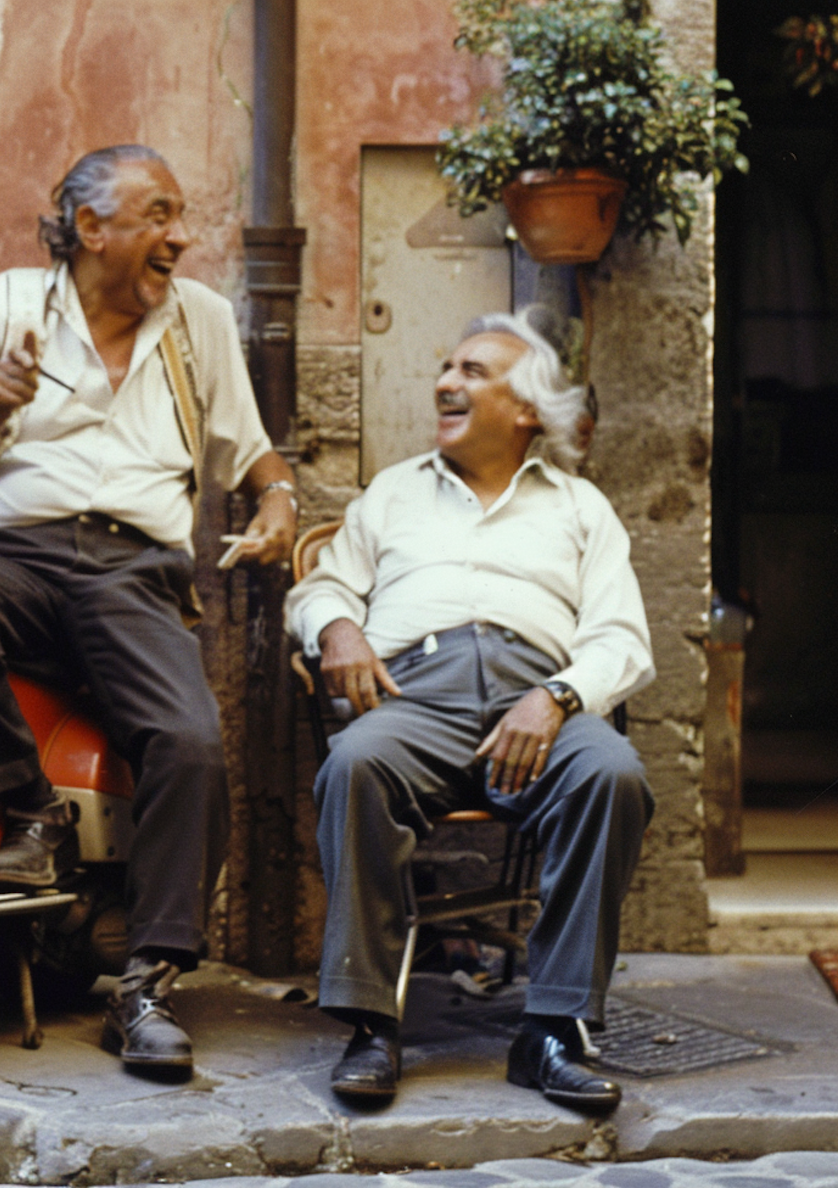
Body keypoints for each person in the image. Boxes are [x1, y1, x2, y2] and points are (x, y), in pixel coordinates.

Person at [0, 145, 297, 1076]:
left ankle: (150, 981)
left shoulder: (197, 321)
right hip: (9, 555)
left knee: (191, 741)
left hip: (133, 571)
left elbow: (255, 455)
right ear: (92, 229)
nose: (180, 236)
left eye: (179, 216)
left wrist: (280, 506)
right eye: (158, 215)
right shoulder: (7, 306)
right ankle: (30, 809)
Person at [283, 312, 655, 1112]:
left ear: (528, 411)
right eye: (446, 367)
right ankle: (371, 1024)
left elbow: (621, 638)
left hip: (538, 699)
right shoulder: (394, 491)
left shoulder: (580, 506)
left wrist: (556, 697)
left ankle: (552, 1031)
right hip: (415, 693)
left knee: (614, 772)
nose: (446, 382)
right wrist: (338, 626)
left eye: (473, 371)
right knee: (354, 763)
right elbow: (322, 585)